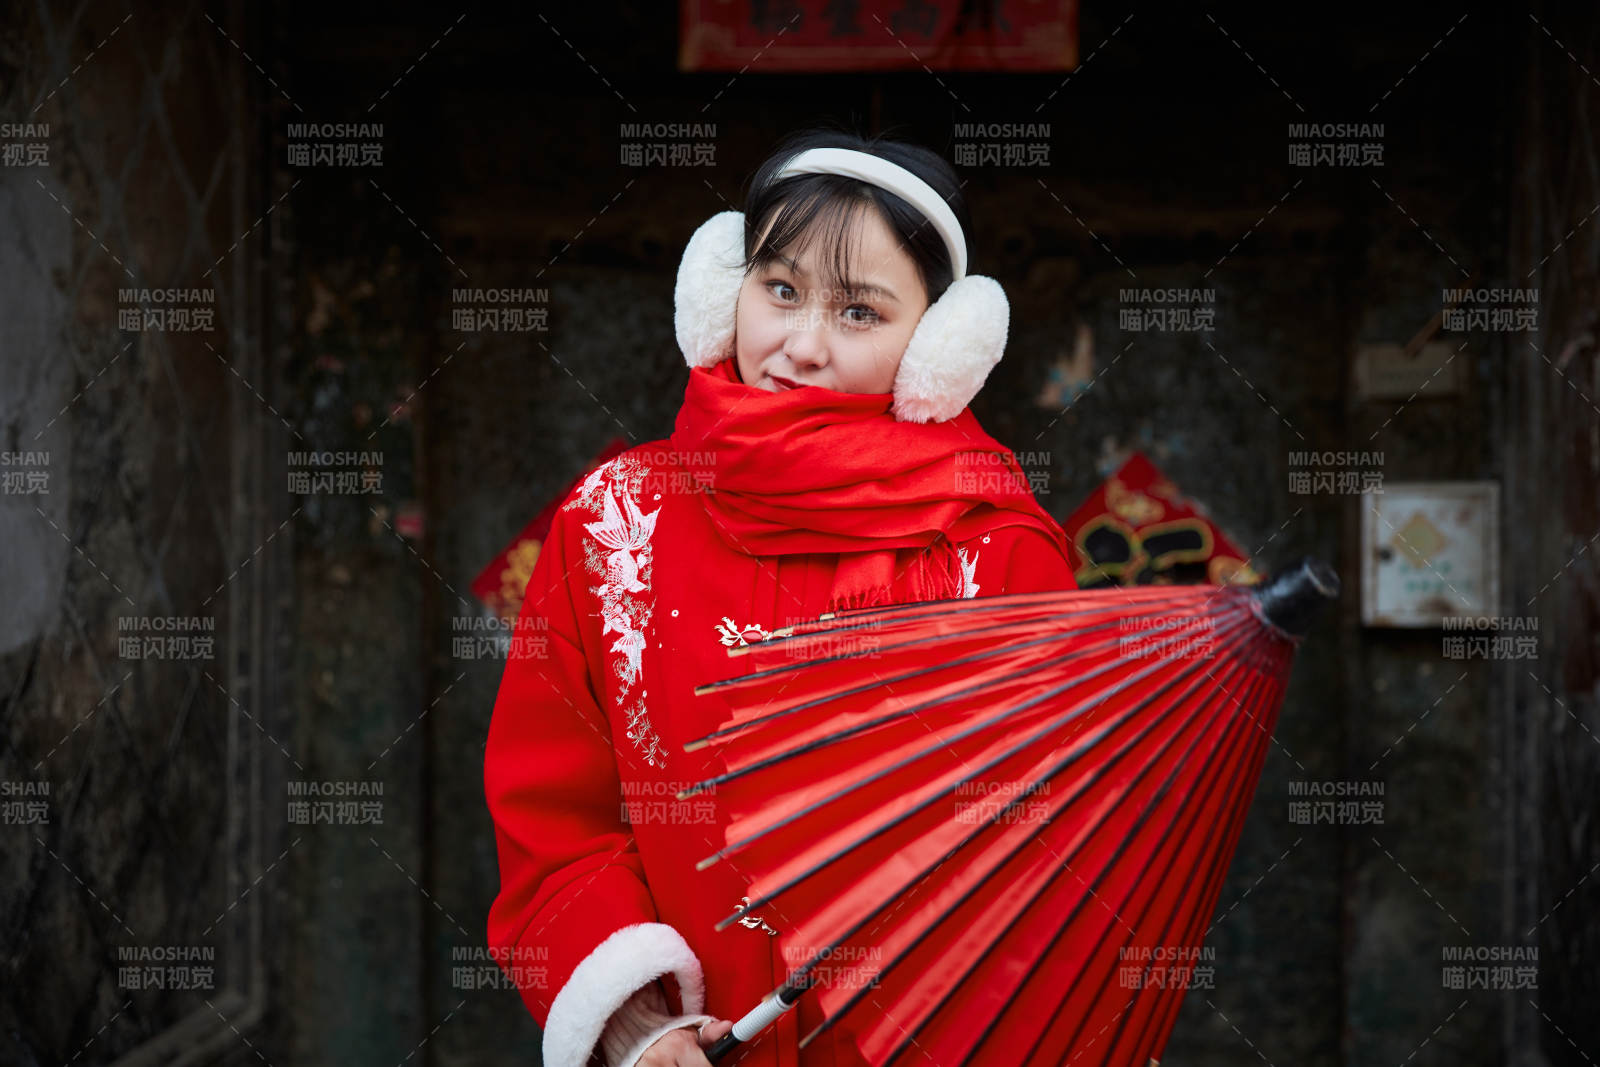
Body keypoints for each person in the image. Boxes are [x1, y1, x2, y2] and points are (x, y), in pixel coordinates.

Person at [484, 125, 1079, 1067]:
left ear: (938, 345)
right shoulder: (612, 523)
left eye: (860, 312)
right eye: (782, 289)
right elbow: (554, 825)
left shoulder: (998, 554)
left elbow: (1045, 863)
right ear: (724, 288)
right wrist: (638, 1025)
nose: (800, 346)